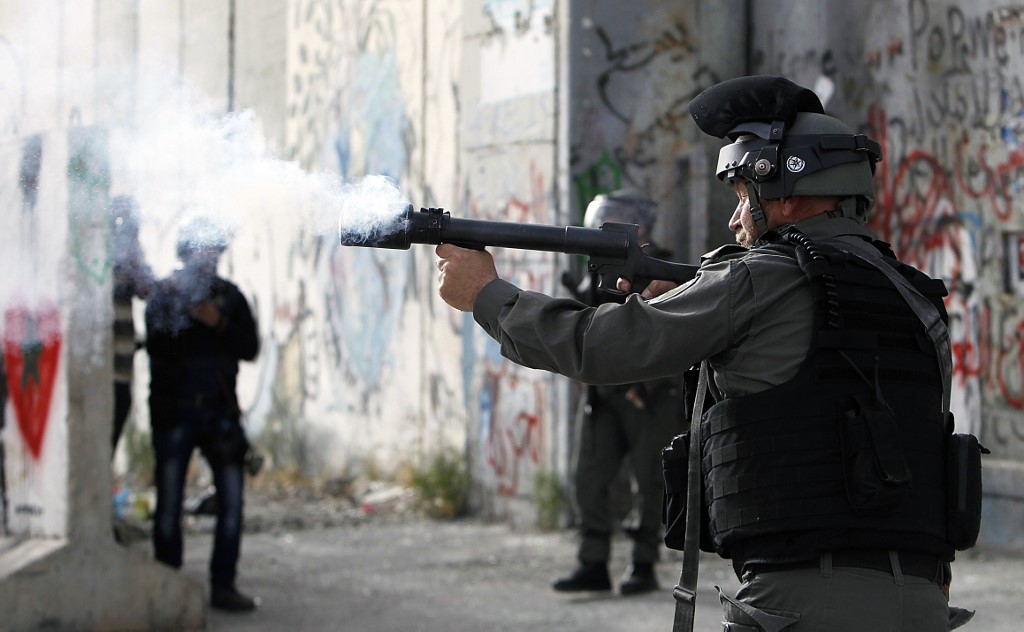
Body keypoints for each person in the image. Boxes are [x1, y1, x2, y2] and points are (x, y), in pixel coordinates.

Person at [435, 75, 966, 630]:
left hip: (802, 597)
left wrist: (488, 296)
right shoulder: (916, 297)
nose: (735, 220)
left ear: (786, 195)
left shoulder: (758, 277)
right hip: (924, 600)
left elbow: (601, 346)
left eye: (742, 196)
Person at [553, 191, 684, 595]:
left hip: (649, 395)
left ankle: (643, 564)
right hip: (604, 394)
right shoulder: (598, 270)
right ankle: (593, 561)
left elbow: (676, 332)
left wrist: (648, 383)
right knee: (589, 478)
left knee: (651, 482)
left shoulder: (659, 269)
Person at [145, 215, 260, 612]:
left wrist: (218, 322)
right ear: (186, 252)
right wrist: (177, 314)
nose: (208, 257)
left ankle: (223, 586)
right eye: (201, 249)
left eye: (213, 250)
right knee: (168, 505)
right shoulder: (165, 294)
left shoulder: (229, 297)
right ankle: (167, 588)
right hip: (175, 414)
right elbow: (157, 349)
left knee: (232, 504)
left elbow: (250, 347)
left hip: (220, 416)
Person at [110, 195, 154, 455]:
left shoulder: (128, 256)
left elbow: (148, 289)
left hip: (121, 369)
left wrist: (132, 250)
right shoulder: (90, 254)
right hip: (99, 372)